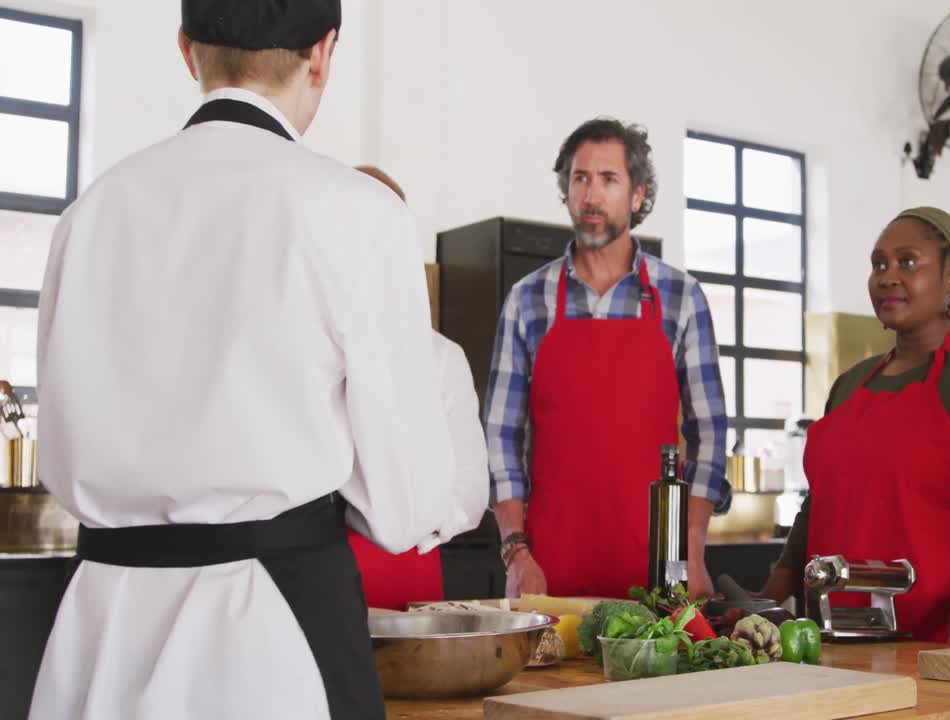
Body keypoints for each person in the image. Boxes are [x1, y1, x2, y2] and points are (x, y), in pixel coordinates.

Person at [31, 3, 463, 717]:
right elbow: (405, 506)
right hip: (272, 635)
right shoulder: (359, 211)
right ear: (322, 53)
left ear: (186, 49)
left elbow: (61, 437)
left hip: (100, 630)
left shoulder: (90, 212)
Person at [760, 207, 950, 645]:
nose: (888, 277)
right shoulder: (849, 385)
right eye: (878, 265)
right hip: (838, 642)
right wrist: (771, 594)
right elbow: (819, 503)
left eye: (907, 262)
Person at [486, 118, 729, 600]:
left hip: (659, 572)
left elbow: (710, 432)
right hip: (548, 573)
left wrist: (692, 548)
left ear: (637, 195)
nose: (591, 195)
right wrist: (516, 554)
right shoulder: (527, 300)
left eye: (608, 179)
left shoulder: (681, 298)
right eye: (580, 178)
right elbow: (500, 435)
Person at [348, 165, 489, 609]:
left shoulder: (442, 359)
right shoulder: (297, 345)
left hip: (407, 576)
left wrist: (410, 526)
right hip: (307, 575)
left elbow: (470, 490)